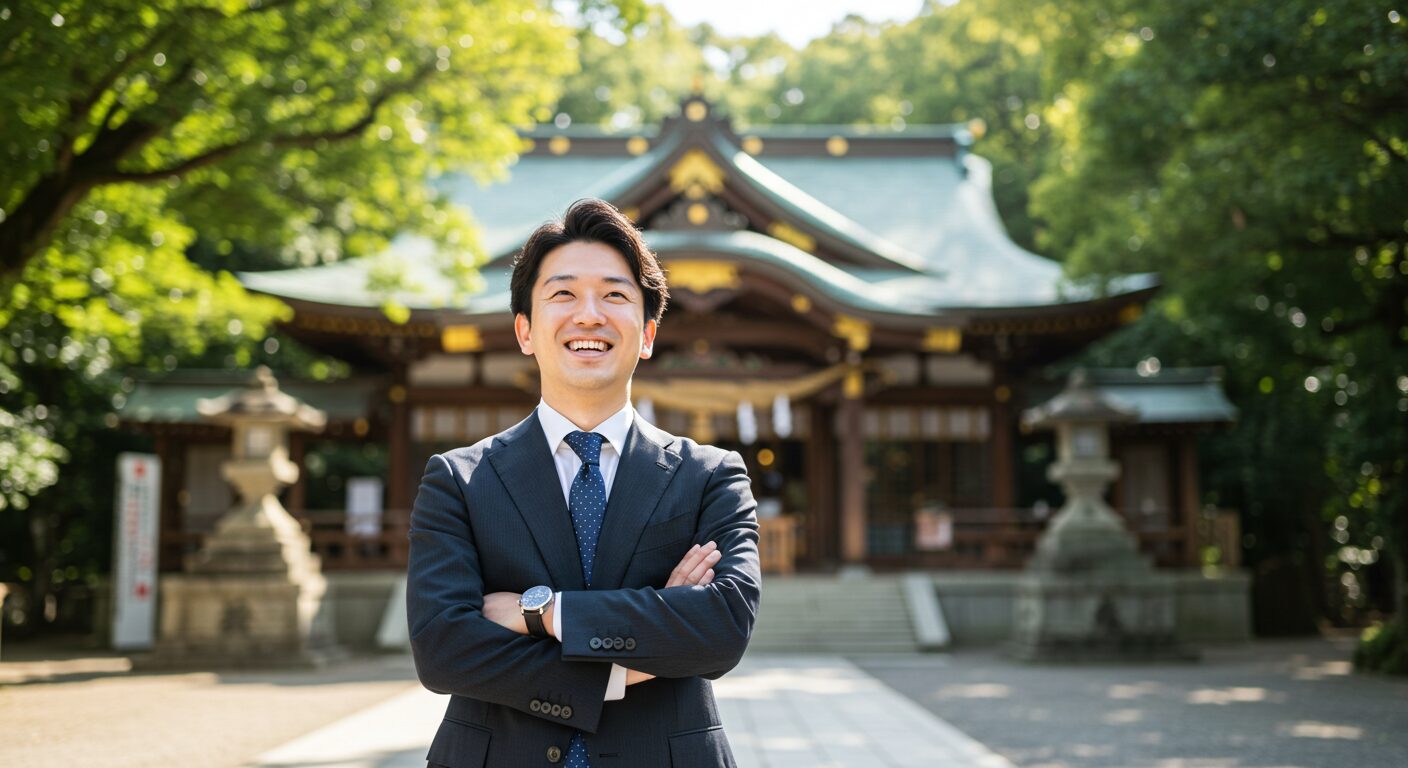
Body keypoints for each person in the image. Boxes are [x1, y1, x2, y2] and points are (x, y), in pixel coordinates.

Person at [407, 198, 761, 768]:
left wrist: (538, 613)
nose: (589, 315)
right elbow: (443, 651)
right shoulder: (459, 479)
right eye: (563, 294)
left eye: (615, 295)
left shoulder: (710, 476)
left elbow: (721, 629)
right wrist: (642, 646)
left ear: (647, 334)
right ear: (525, 330)